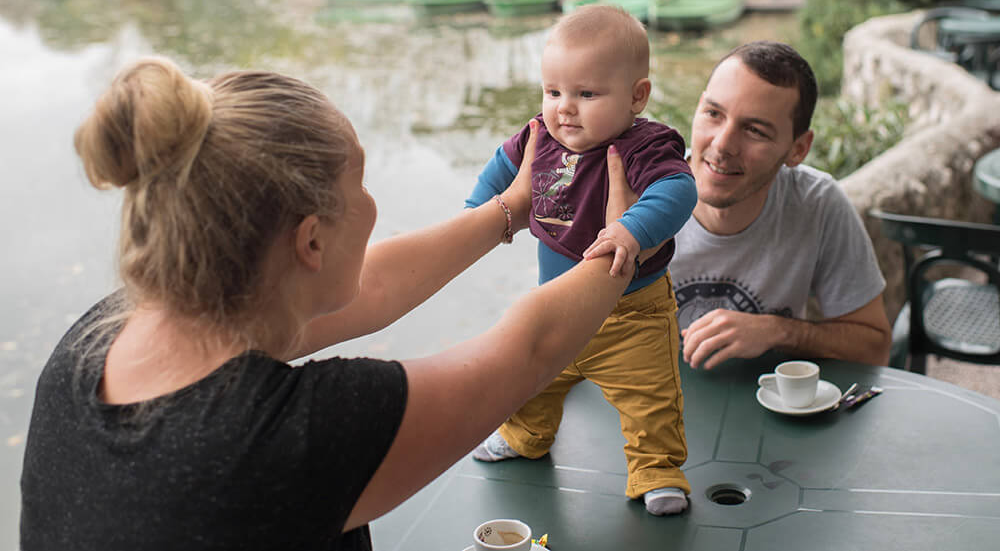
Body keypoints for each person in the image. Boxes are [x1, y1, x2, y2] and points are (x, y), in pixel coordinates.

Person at [19, 57, 644, 551]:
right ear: (312, 240)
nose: (371, 203)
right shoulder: (287, 437)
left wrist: (507, 210)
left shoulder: (95, 337)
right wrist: (618, 250)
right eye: (360, 183)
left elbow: (370, 287)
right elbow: (527, 352)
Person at [464, 5, 698, 516]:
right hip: (559, 306)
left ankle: (656, 468)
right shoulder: (539, 138)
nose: (564, 109)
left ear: (637, 95)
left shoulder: (644, 145)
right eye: (554, 92)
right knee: (529, 380)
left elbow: (680, 190)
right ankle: (527, 436)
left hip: (631, 315)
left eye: (586, 94)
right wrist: (475, 213)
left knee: (650, 401)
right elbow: (501, 169)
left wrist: (632, 228)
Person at [670, 41, 892, 370]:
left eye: (754, 130)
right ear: (699, 107)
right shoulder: (634, 191)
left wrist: (779, 331)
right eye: (714, 114)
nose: (722, 144)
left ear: (798, 149)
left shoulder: (817, 204)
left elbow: (874, 348)